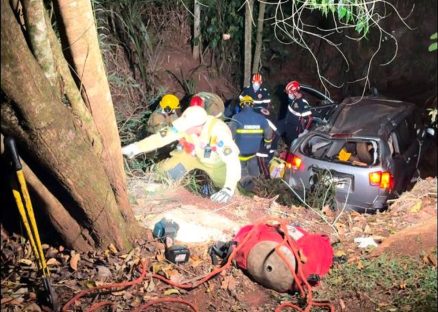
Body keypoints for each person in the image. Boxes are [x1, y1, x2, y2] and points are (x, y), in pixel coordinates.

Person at [122, 106, 241, 204]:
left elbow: (233, 161)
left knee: (229, 197)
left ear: (198, 127)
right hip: (192, 157)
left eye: (186, 127)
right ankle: (151, 178)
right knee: (163, 171)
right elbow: (161, 137)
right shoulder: (185, 127)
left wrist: (229, 188)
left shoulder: (218, 132)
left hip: (217, 165)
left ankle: (228, 194)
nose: (182, 129)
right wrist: (136, 147)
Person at [228, 95, 273, 190]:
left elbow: (230, 133)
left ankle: (245, 184)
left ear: (242, 105)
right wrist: (267, 142)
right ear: (252, 105)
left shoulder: (236, 117)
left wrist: (229, 143)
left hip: (240, 152)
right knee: (253, 164)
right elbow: (268, 131)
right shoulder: (261, 118)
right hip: (254, 151)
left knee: (240, 167)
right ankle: (256, 182)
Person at [276, 80, 313, 148]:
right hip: (286, 122)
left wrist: (305, 131)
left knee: (292, 144)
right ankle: (272, 148)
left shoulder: (302, 103)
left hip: (294, 128)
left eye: (289, 93)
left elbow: (310, 118)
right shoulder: (293, 98)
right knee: (275, 130)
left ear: (294, 92)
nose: (288, 94)